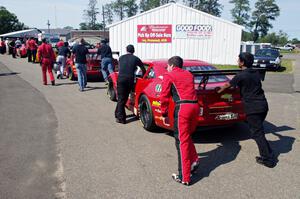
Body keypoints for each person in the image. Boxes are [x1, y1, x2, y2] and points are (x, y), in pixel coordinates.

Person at [217, 52, 277, 168]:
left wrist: (218, 91)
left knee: (257, 134)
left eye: (238, 60)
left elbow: (227, 86)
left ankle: (268, 160)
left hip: (253, 108)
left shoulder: (241, 75)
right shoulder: (256, 73)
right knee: (258, 131)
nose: (237, 62)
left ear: (242, 62)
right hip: (263, 106)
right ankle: (268, 153)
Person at [160, 56, 200, 186]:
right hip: (195, 107)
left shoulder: (169, 75)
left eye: (168, 66)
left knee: (181, 141)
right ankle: (194, 160)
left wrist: (164, 113)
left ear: (171, 65)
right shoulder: (189, 74)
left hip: (183, 108)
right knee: (186, 136)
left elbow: (164, 95)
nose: (167, 68)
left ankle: (184, 177)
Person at [115, 45, 146, 124]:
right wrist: (144, 76)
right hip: (129, 80)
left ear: (126, 50)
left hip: (121, 79)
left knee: (121, 98)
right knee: (123, 99)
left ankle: (117, 114)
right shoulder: (136, 58)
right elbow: (143, 68)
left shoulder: (121, 58)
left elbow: (122, 67)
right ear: (134, 51)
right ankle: (121, 118)